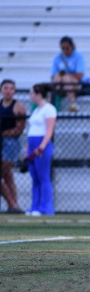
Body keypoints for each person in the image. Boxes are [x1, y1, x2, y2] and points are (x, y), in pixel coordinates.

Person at [26, 83, 57, 216]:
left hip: (41, 145)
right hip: (32, 144)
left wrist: (42, 146)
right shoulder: (36, 109)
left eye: (32, 93)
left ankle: (45, 208)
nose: (30, 96)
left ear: (39, 94)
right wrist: (28, 148)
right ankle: (35, 207)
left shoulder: (49, 109)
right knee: (35, 178)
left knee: (44, 177)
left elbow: (49, 130)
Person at [1, 79, 27, 213]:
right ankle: (14, 205)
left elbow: (20, 128)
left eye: (11, 88)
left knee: (5, 172)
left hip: (10, 143)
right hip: (1, 142)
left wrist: (6, 133)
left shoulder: (18, 106)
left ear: (14, 91)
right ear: (1, 90)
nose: (8, 91)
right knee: (8, 176)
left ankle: (12, 204)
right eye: (6, 88)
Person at [51, 36, 85, 113]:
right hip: (60, 84)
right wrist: (61, 76)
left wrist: (66, 75)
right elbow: (53, 76)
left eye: (67, 48)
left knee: (66, 78)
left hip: (75, 84)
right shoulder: (58, 58)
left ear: (72, 47)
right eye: (63, 49)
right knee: (58, 77)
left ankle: (73, 103)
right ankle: (53, 103)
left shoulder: (79, 56)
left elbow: (80, 75)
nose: (65, 51)